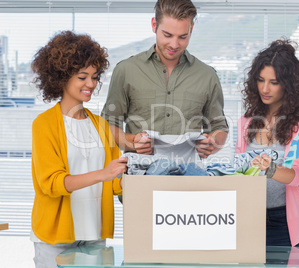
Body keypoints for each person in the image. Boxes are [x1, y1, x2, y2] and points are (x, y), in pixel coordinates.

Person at [30, 31, 127, 268]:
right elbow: (51, 184)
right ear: (61, 77)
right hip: (56, 240)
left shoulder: (101, 125)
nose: (91, 84)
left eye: (95, 77)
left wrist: (137, 173)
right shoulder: (44, 124)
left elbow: (114, 182)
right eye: (83, 77)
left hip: (94, 234)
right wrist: (103, 174)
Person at [101, 0, 228, 160]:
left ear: (191, 29)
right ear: (154, 25)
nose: (174, 44)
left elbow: (219, 127)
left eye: (183, 36)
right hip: (140, 176)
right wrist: (132, 142)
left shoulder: (207, 76)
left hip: (189, 177)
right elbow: (108, 125)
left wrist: (212, 142)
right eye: (167, 35)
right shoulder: (126, 70)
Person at [235, 39, 299, 247]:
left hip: (285, 225)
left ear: (288, 84)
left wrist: (270, 169)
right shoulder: (247, 120)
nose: (265, 88)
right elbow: (238, 169)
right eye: (260, 80)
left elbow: (298, 174)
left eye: (273, 82)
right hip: (250, 221)